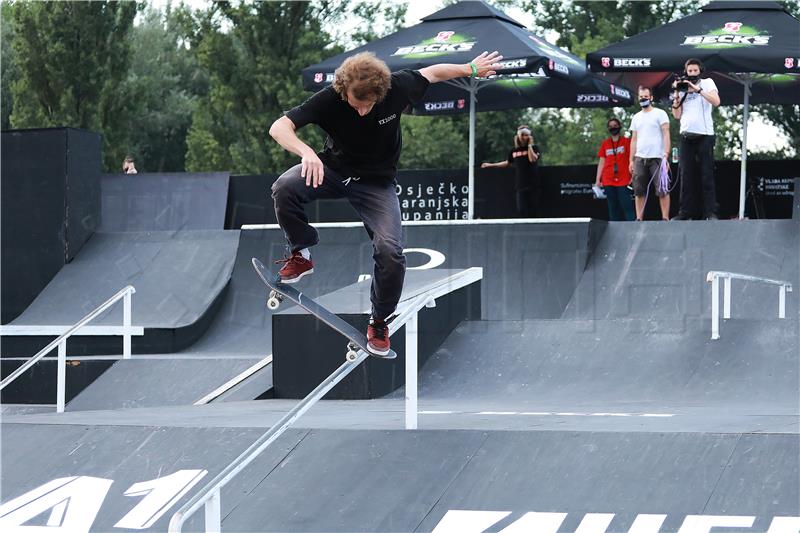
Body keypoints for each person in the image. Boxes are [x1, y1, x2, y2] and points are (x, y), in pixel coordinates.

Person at [269, 50, 502, 357]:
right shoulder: (328, 98)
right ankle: (301, 252)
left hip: (377, 183)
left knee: (390, 252)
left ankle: (379, 321)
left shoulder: (397, 86)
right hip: (333, 170)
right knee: (284, 187)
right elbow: (278, 127)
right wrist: (306, 152)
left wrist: (470, 67)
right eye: (357, 103)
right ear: (343, 91)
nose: (364, 110)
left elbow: (434, 72)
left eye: (370, 104)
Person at [671, 58, 721, 220]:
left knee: (706, 174)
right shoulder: (683, 87)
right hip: (686, 135)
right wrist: (677, 94)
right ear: (686, 72)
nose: (692, 73)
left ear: (700, 71)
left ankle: (710, 212)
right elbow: (677, 115)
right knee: (686, 174)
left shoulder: (707, 82)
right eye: (689, 71)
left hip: (705, 135)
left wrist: (697, 90)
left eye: (695, 71)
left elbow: (716, 102)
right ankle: (685, 212)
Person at [629, 86, 671, 221]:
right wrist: (631, 160)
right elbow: (634, 139)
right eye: (641, 97)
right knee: (639, 190)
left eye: (645, 97)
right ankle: (639, 218)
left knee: (662, 188)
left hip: (658, 157)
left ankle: (665, 217)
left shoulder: (660, 113)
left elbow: (666, 133)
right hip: (640, 158)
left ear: (651, 98)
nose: (643, 99)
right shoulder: (636, 117)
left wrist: (666, 154)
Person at [480, 125, 542, 217]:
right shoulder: (513, 151)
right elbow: (508, 162)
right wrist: (491, 165)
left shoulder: (535, 148)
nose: (524, 137)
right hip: (520, 185)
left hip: (533, 185)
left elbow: (532, 159)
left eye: (526, 135)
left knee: (532, 210)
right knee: (521, 210)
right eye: (522, 135)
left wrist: (529, 145)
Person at [594, 117, 634, 221]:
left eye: (615, 126)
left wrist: (633, 176)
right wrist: (598, 179)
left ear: (619, 127)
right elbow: (602, 162)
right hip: (608, 179)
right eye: (611, 126)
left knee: (627, 206)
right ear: (608, 128)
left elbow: (633, 159)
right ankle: (615, 231)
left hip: (624, 179)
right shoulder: (605, 143)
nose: (613, 128)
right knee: (613, 207)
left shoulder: (627, 141)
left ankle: (632, 230)